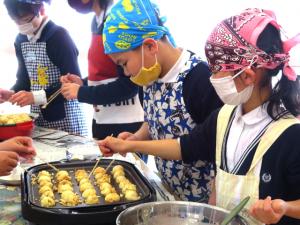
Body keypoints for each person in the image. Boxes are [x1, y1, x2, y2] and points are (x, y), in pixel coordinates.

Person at [99, 8, 300, 225]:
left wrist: (285, 207)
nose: (211, 78)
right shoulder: (225, 116)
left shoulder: (290, 134)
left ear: (248, 76)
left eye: (215, 71)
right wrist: (130, 145)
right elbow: (186, 147)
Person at [101, 0, 222, 202]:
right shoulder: (149, 77)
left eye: (124, 63)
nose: (127, 72)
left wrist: (214, 205)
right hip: (167, 191)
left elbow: (214, 145)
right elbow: (155, 120)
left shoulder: (199, 79)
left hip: (201, 199)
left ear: (149, 46)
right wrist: (136, 138)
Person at [0, 0, 88, 136]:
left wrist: (35, 97)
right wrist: (11, 93)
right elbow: (25, 81)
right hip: (39, 117)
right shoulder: (20, 40)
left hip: (66, 119)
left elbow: (73, 83)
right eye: (16, 21)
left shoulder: (59, 36)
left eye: (27, 20)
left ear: (41, 10)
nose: (22, 26)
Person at [61, 0, 144, 141]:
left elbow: (129, 86)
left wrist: (81, 92)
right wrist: (84, 82)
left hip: (125, 124)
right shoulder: (96, 21)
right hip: (102, 118)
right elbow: (105, 73)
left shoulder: (118, 20)